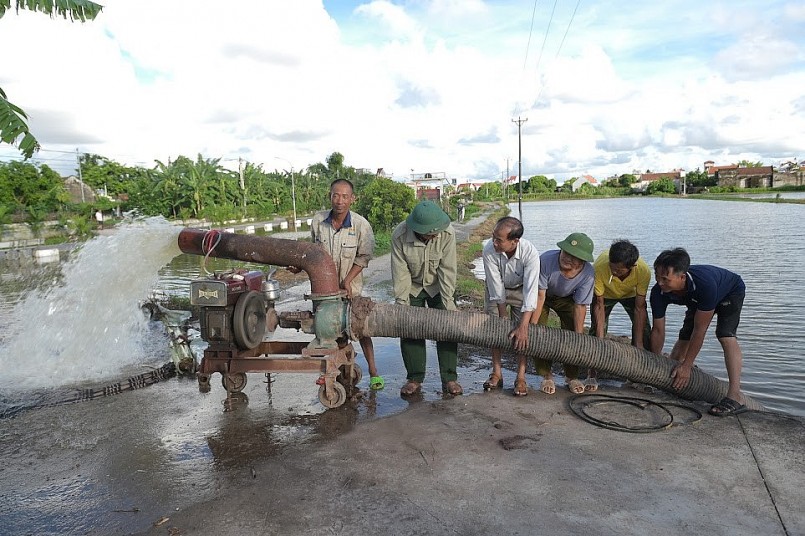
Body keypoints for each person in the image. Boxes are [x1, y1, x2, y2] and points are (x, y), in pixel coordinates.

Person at [300, 178, 384, 389]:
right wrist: (298, 265)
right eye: (335, 195)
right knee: (327, 330)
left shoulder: (361, 225)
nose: (339, 200)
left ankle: (374, 372)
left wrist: (347, 280)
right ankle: (334, 372)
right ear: (330, 196)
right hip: (323, 290)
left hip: (350, 288)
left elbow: (364, 257)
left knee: (361, 329)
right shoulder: (318, 221)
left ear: (352, 199)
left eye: (345, 196)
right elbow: (312, 253)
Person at [649, 248, 747, 416]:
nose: (660, 283)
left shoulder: (704, 285)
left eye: (665, 279)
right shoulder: (658, 292)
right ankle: (673, 379)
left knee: (725, 335)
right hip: (697, 300)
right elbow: (658, 330)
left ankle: (735, 395)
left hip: (729, 292)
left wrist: (687, 366)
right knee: (684, 335)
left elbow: (700, 331)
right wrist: (655, 361)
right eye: (657, 277)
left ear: (682, 276)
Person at [391, 199, 462, 397]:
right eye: (431, 233)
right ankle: (414, 378)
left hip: (438, 285)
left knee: (447, 328)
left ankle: (449, 378)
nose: (435, 235)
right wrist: (402, 306)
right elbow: (400, 274)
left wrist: (449, 305)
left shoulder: (447, 233)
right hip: (412, 286)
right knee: (410, 328)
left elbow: (448, 270)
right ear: (418, 229)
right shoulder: (400, 235)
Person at [481, 216, 540, 397]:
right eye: (493, 237)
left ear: (514, 241)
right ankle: (496, 372)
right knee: (495, 329)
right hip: (496, 289)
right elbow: (495, 285)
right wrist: (502, 316)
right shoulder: (489, 250)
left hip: (521, 290)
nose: (494, 242)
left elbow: (531, 290)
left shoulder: (530, 253)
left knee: (523, 334)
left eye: (499, 240)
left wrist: (523, 325)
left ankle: (521, 376)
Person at [532, 232, 595, 395]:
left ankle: (571, 376)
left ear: (583, 261)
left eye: (574, 256)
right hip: (543, 296)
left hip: (568, 298)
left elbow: (580, 305)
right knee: (539, 331)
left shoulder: (588, 274)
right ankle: (546, 374)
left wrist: (579, 336)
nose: (567, 258)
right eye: (566, 252)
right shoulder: (545, 260)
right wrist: (532, 326)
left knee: (574, 333)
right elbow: (540, 296)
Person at [588, 239, 652, 391]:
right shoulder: (600, 268)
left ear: (632, 266)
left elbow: (639, 308)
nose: (614, 272)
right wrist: (600, 339)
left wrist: (639, 344)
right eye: (612, 268)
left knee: (644, 331)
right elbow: (599, 305)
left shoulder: (643, 270)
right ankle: (592, 373)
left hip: (630, 294)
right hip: (605, 295)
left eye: (619, 270)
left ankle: (642, 374)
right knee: (596, 330)